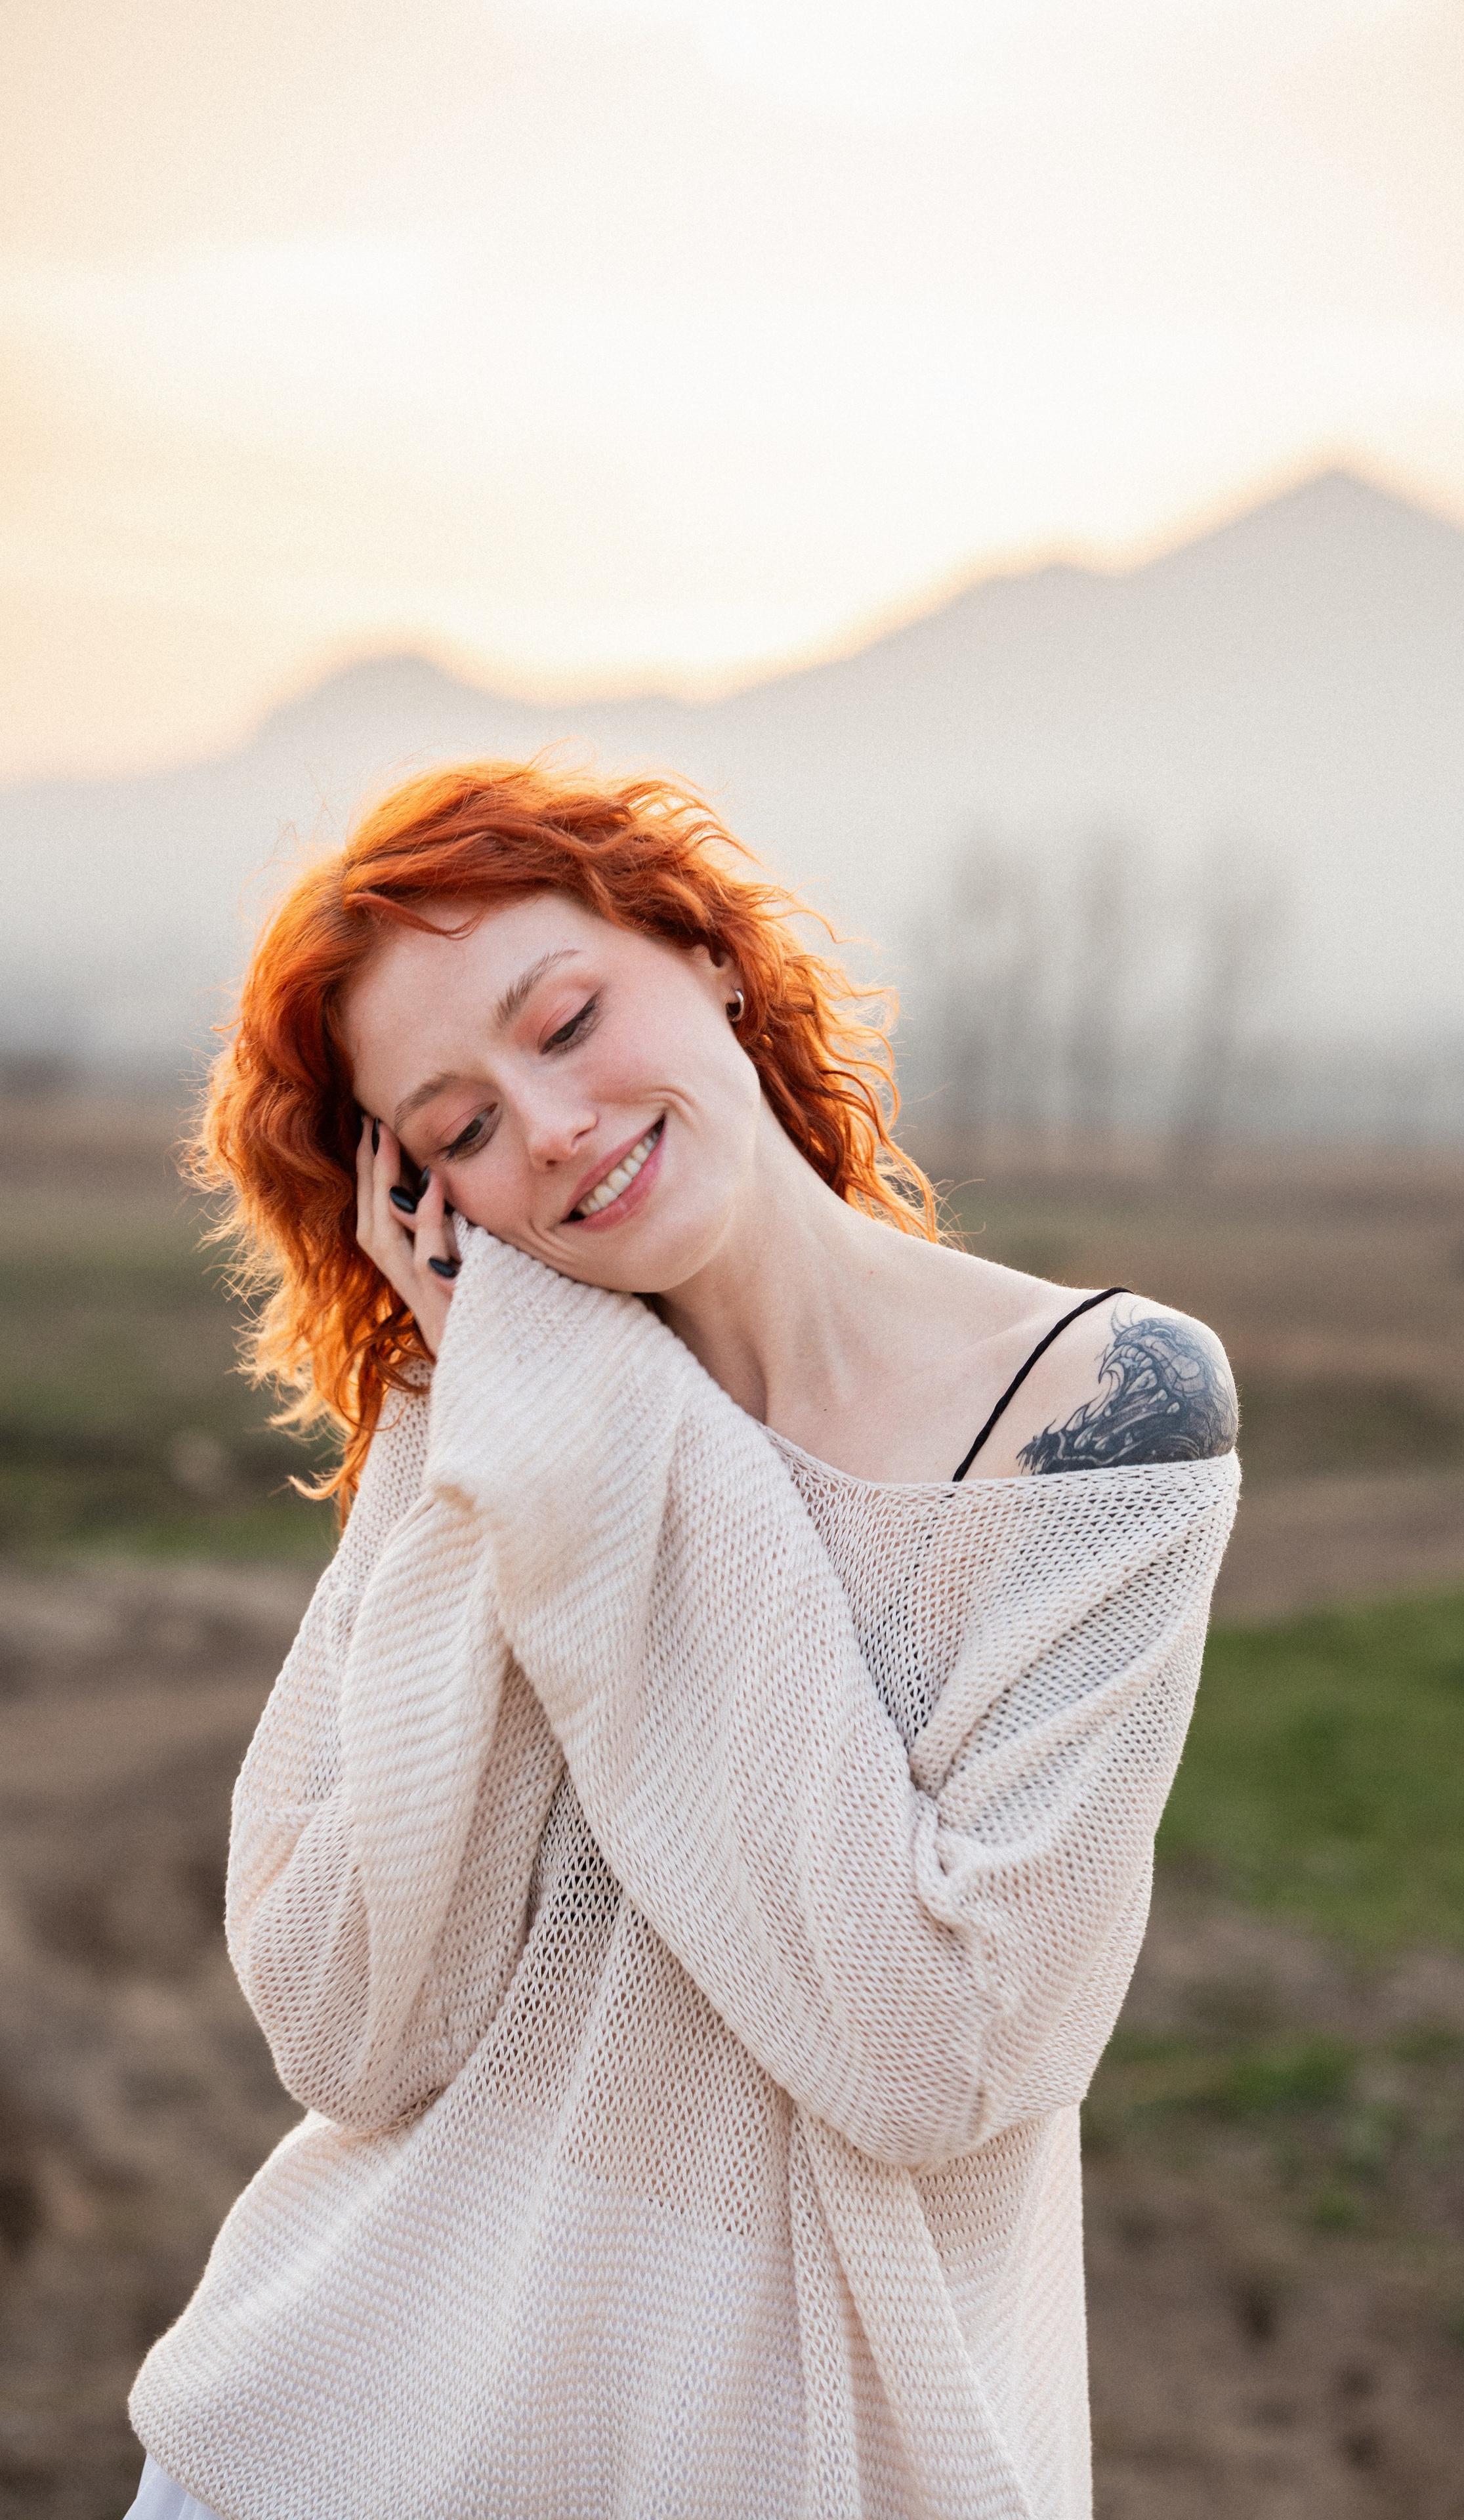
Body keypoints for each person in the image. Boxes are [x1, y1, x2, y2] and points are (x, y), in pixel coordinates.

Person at [127, 759, 1240, 2520]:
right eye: (461, 1130)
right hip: (330, 2436)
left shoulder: (1099, 1416)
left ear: (705, 951)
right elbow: (349, 2030)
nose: (549, 1125)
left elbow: (938, 2056)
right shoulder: (491, 1409)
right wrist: (520, 1414)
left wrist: (589, 1415)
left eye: (564, 1021)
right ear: (419, 1204)